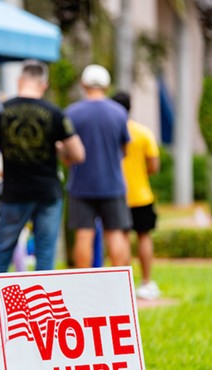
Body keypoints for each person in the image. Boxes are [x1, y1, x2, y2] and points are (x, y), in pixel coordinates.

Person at [0, 59, 85, 331]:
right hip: (47, 193)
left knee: (2, 254)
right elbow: (78, 154)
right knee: (44, 254)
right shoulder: (55, 113)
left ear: (20, 81)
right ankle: (46, 320)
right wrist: (58, 150)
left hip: (13, 193)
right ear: (43, 84)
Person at [65, 64, 132, 269]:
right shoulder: (119, 113)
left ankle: (85, 289)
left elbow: (67, 152)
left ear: (84, 84)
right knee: (115, 233)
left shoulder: (71, 113)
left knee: (84, 235)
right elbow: (125, 149)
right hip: (112, 183)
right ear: (107, 85)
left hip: (80, 185)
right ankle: (120, 286)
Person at [112, 91, 161, 300]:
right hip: (141, 194)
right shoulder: (143, 132)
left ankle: (123, 285)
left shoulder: (111, 133)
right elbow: (154, 166)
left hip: (116, 194)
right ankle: (146, 282)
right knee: (144, 236)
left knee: (120, 237)